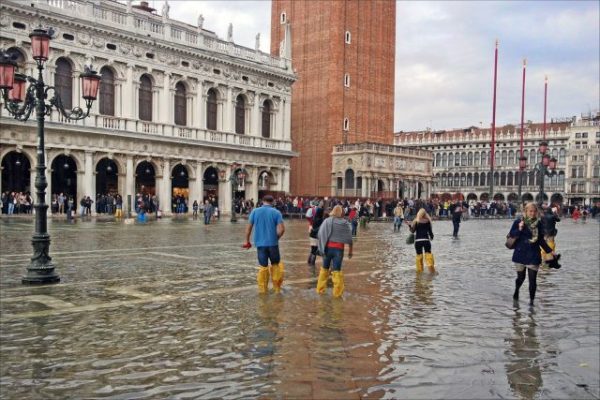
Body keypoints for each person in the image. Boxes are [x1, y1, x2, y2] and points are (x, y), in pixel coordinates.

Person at [508, 202, 556, 306]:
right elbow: (511, 234)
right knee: (520, 278)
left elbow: (541, 240)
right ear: (526, 211)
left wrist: (549, 251)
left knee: (533, 280)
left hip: (533, 254)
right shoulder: (518, 222)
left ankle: (531, 302)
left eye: (534, 211)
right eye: (530, 211)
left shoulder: (539, 223)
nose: (532, 213)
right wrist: (519, 229)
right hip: (520, 254)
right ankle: (516, 290)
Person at [243, 195, 285, 294]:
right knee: (275, 266)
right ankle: (277, 289)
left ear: (262, 201)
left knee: (263, 267)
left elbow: (248, 228)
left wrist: (247, 241)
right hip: (273, 245)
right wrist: (276, 237)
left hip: (260, 245)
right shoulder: (276, 212)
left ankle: (263, 291)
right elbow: (282, 229)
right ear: (273, 201)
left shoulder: (255, 211)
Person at [316, 205, 353, 297]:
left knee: (324, 270)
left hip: (327, 249)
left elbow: (320, 234)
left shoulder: (327, 221)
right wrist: (350, 252)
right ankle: (337, 295)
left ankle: (320, 291)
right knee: (337, 272)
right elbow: (349, 239)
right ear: (341, 212)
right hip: (338, 251)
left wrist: (321, 248)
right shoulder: (345, 223)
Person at [408, 208, 435, 274]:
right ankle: (431, 269)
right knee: (428, 255)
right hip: (426, 240)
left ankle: (419, 272)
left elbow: (412, 231)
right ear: (425, 214)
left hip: (418, 241)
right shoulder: (428, 221)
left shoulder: (416, 221)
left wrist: (409, 225)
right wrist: (431, 237)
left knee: (419, 257)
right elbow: (430, 233)